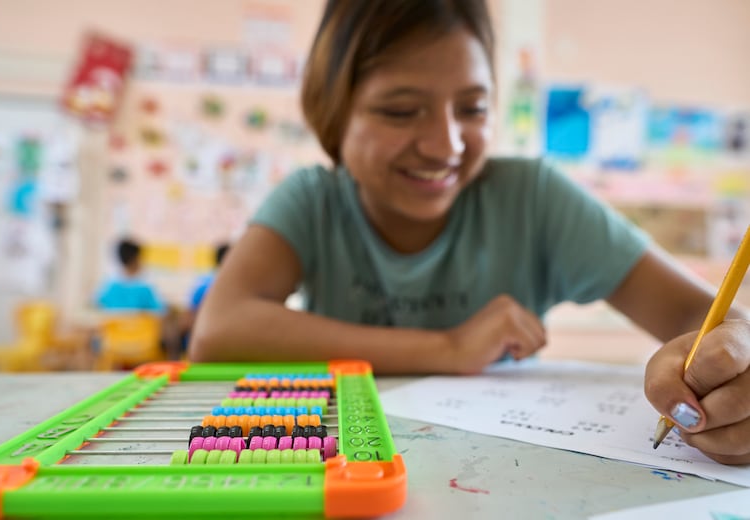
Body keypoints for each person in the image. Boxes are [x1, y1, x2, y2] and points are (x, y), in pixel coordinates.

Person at [189, 0, 750, 465]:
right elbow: (219, 331)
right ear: (334, 116)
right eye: (400, 110)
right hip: (342, 471)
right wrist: (448, 348)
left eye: (473, 108)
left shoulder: (533, 198)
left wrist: (728, 364)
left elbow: (702, 319)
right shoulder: (314, 200)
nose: (447, 145)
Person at [95, 238, 166, 313]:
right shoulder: (144, 289)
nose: (142, 263)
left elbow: (96, 307)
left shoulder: (108, 286)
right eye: (140, 259)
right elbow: (159, 311)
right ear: (134, 259)